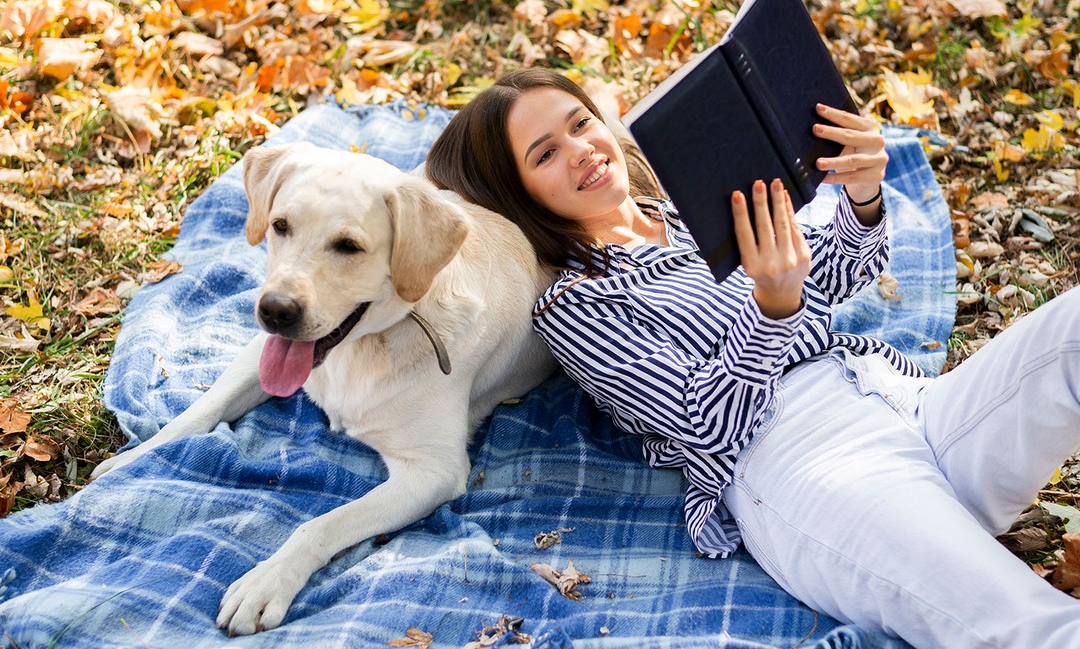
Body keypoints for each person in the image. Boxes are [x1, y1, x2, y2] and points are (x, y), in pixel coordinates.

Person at [423, 67, 1080, 649]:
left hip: (901, 403)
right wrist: (770, 310)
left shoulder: (682, 209)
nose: (582, 152)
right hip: (803, 469)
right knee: (1034, 626)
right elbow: (701, 425)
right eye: (545, 153)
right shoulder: (576, 307)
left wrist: (863, 197)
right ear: (520, 195)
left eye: (580, 123)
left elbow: (827, 272)